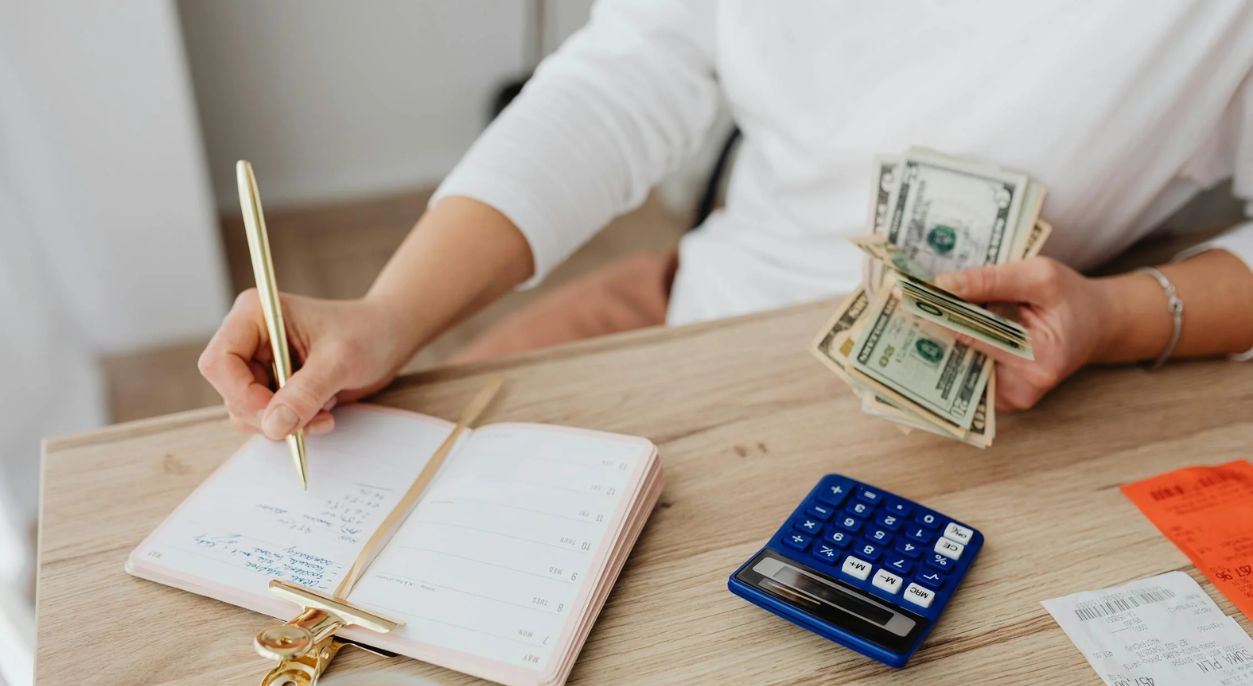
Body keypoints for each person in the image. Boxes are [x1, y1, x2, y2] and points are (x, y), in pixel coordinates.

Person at [199, 1, 1253, 439]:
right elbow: (624, 82)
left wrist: (1116, 317)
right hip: (690, 313)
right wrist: (388, 312)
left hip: (981, 414)